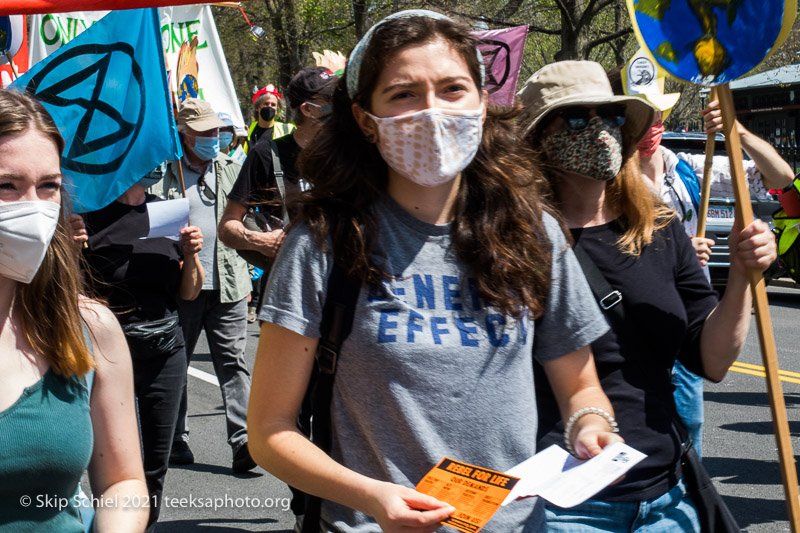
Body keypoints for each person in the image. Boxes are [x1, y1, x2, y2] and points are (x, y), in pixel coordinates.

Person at [247, 11, 624, 533]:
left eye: (452, 89)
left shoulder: (534, 233)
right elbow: (268, 433)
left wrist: (592, 425)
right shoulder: (322, 243)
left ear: (482, 103)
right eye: (403, 94)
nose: (432, 112)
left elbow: (581, 387)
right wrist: (375, 498)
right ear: (364, 119)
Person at [518, 60, 777, 532]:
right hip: (563, 504)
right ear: (537, 138)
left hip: (666, 493)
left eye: (612, 118)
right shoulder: (514, 241)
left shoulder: (659, 228)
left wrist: (742, 277)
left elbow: (711, 361)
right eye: (578, 118)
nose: (600, 132)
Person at [612, 54, 794, 458]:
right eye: (637, 117)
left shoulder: (691, 168)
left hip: (685, 320)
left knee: (690, 428)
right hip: (632, 328)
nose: (650, 128)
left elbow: (781, 179)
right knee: (635, 430)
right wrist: (670, 252)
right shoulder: (605, 181)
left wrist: (738, 133)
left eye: (657, 115)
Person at [0, 89, 148, 532]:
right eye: (6, 185)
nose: (33, 207)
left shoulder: (90, 327)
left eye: (49, 186)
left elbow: (123, 482)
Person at [82, 172, 204, 531]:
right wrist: (71, 248)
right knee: (113, 460)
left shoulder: (168, 213)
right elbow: (70, 290)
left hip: (165, 349)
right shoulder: (88, 216)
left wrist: (191, 256)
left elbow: (189, 293)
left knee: (155, 460)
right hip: (106, 354)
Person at [150, 98, 256, 473]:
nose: (215, 137)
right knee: (175, 363)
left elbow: (252, 220)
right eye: (205, 132)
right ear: (184, 134)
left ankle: (243, 440)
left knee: (234, 362)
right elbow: (151, 230)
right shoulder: (163, 174)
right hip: (183, 287)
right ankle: (176, 438)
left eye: (217, 131)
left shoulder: (233, 168)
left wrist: (252, 272)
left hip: (229, 285)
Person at [219, 66, 337, 307]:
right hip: (290, 293)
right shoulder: (265, 155)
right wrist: (259, 241)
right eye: (333, 100)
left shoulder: (347, 155)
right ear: (308, 109)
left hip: (341, 288)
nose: (341, 107)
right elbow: (227, 227)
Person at [244, 83, 295, 153]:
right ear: (257, 107)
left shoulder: (289, 130)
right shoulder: (247, 130)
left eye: (273, 105)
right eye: (266, 104)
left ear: (277, 110)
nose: (269, 107)